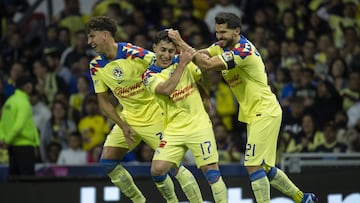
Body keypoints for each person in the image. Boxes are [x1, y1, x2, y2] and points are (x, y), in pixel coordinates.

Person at [168, 12, 318, 203]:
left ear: (236, 31)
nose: (219, 36)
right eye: (217, 32)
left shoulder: (242, 51)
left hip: (264, 111)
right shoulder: (222, 46)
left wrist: (181, 42)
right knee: (265, 167)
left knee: (252, 165)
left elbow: (206, 64)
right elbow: (201, 54)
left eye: (223, 32)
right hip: (256, 112)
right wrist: (176, 59)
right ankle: (303, 199)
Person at [86, 16, 202, 203]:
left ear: (105, 35)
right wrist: (122, 125)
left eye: (92, 36)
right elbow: (104, 101)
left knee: (173, 166)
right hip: (129, 118)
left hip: (155, 114)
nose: (89, 41)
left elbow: (165, 63)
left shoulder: (132, 52)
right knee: (108, 162)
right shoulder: (95, 66)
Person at [142, 30, 227, 203]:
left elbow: (201, 75)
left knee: (211, 172)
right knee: (157, 170)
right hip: (174, 129)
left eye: (171, 51)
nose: (166, 55)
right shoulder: (149, 75)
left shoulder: (184, 62)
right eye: (163, 50)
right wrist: (182, 64)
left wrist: (204, 96)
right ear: (154, 48)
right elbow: (165, 90)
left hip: (198, 125)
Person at [0, 74, 40, 176]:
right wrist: (7, 141)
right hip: (24, 146)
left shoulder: (9, 101)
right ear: (28, 87)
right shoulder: (23, 103)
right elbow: (19, 125)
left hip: (12, 147)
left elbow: (2, 123)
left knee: (14, 179)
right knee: (27, 181)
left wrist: (3, 139)